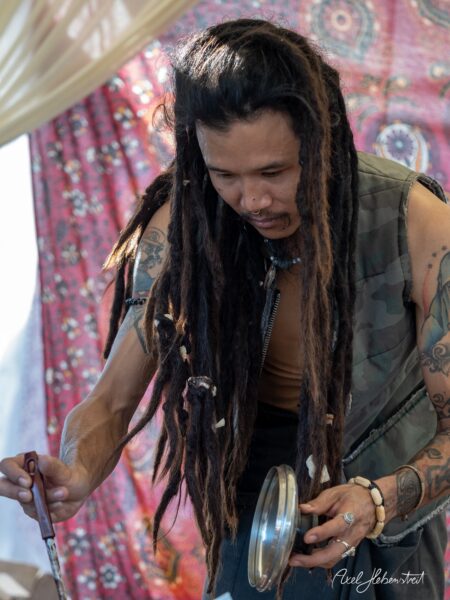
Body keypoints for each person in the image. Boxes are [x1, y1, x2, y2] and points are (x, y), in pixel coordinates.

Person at [1, 18, 449, 599]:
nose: (253, 199)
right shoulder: (184, 225)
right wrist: (74, 472)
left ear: (323, 140)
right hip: (251, 494)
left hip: (385, 490)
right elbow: (110, 401)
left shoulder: (414, 222)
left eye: (274, 172)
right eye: (225, 175)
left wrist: (381, 499)